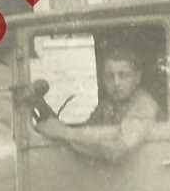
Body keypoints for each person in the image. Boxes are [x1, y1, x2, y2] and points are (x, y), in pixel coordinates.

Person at [30, 47, 160, 164]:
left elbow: (119, 148)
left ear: (137, 78)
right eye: (110, 76)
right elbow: (88, 131)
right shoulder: (108, 105)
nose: (116, 82)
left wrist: (64, 133)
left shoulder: (144, 104)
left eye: (123, 75)